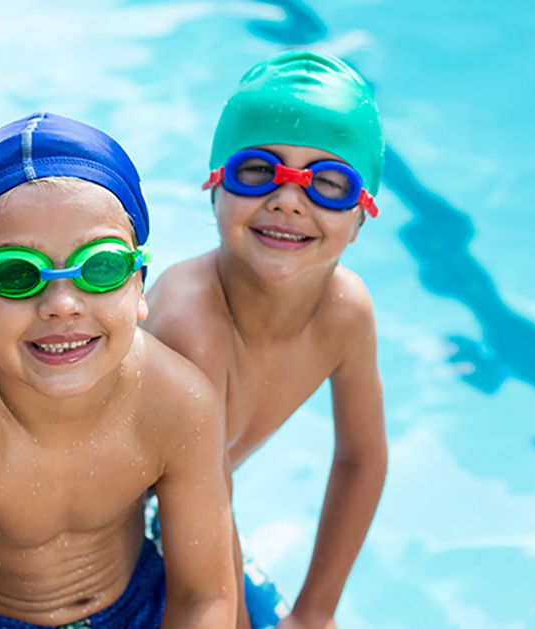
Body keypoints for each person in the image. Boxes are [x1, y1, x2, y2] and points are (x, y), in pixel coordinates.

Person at [0, 112, 236, 629]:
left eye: (100, 267)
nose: (61, 304)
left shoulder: (178, 401)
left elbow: (204, 598)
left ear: (138, 284)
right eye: (17, 275)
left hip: (142, 604)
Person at [140, 51, 388, 629]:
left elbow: (363, 458)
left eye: (328, 183)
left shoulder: (346, 313)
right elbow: (205, 504)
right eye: (258, 170)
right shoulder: (190, 324)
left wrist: (315, 613)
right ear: (214, 186)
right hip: (103, 555)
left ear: (361, 216)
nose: (288, 200)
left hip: (186, 520)